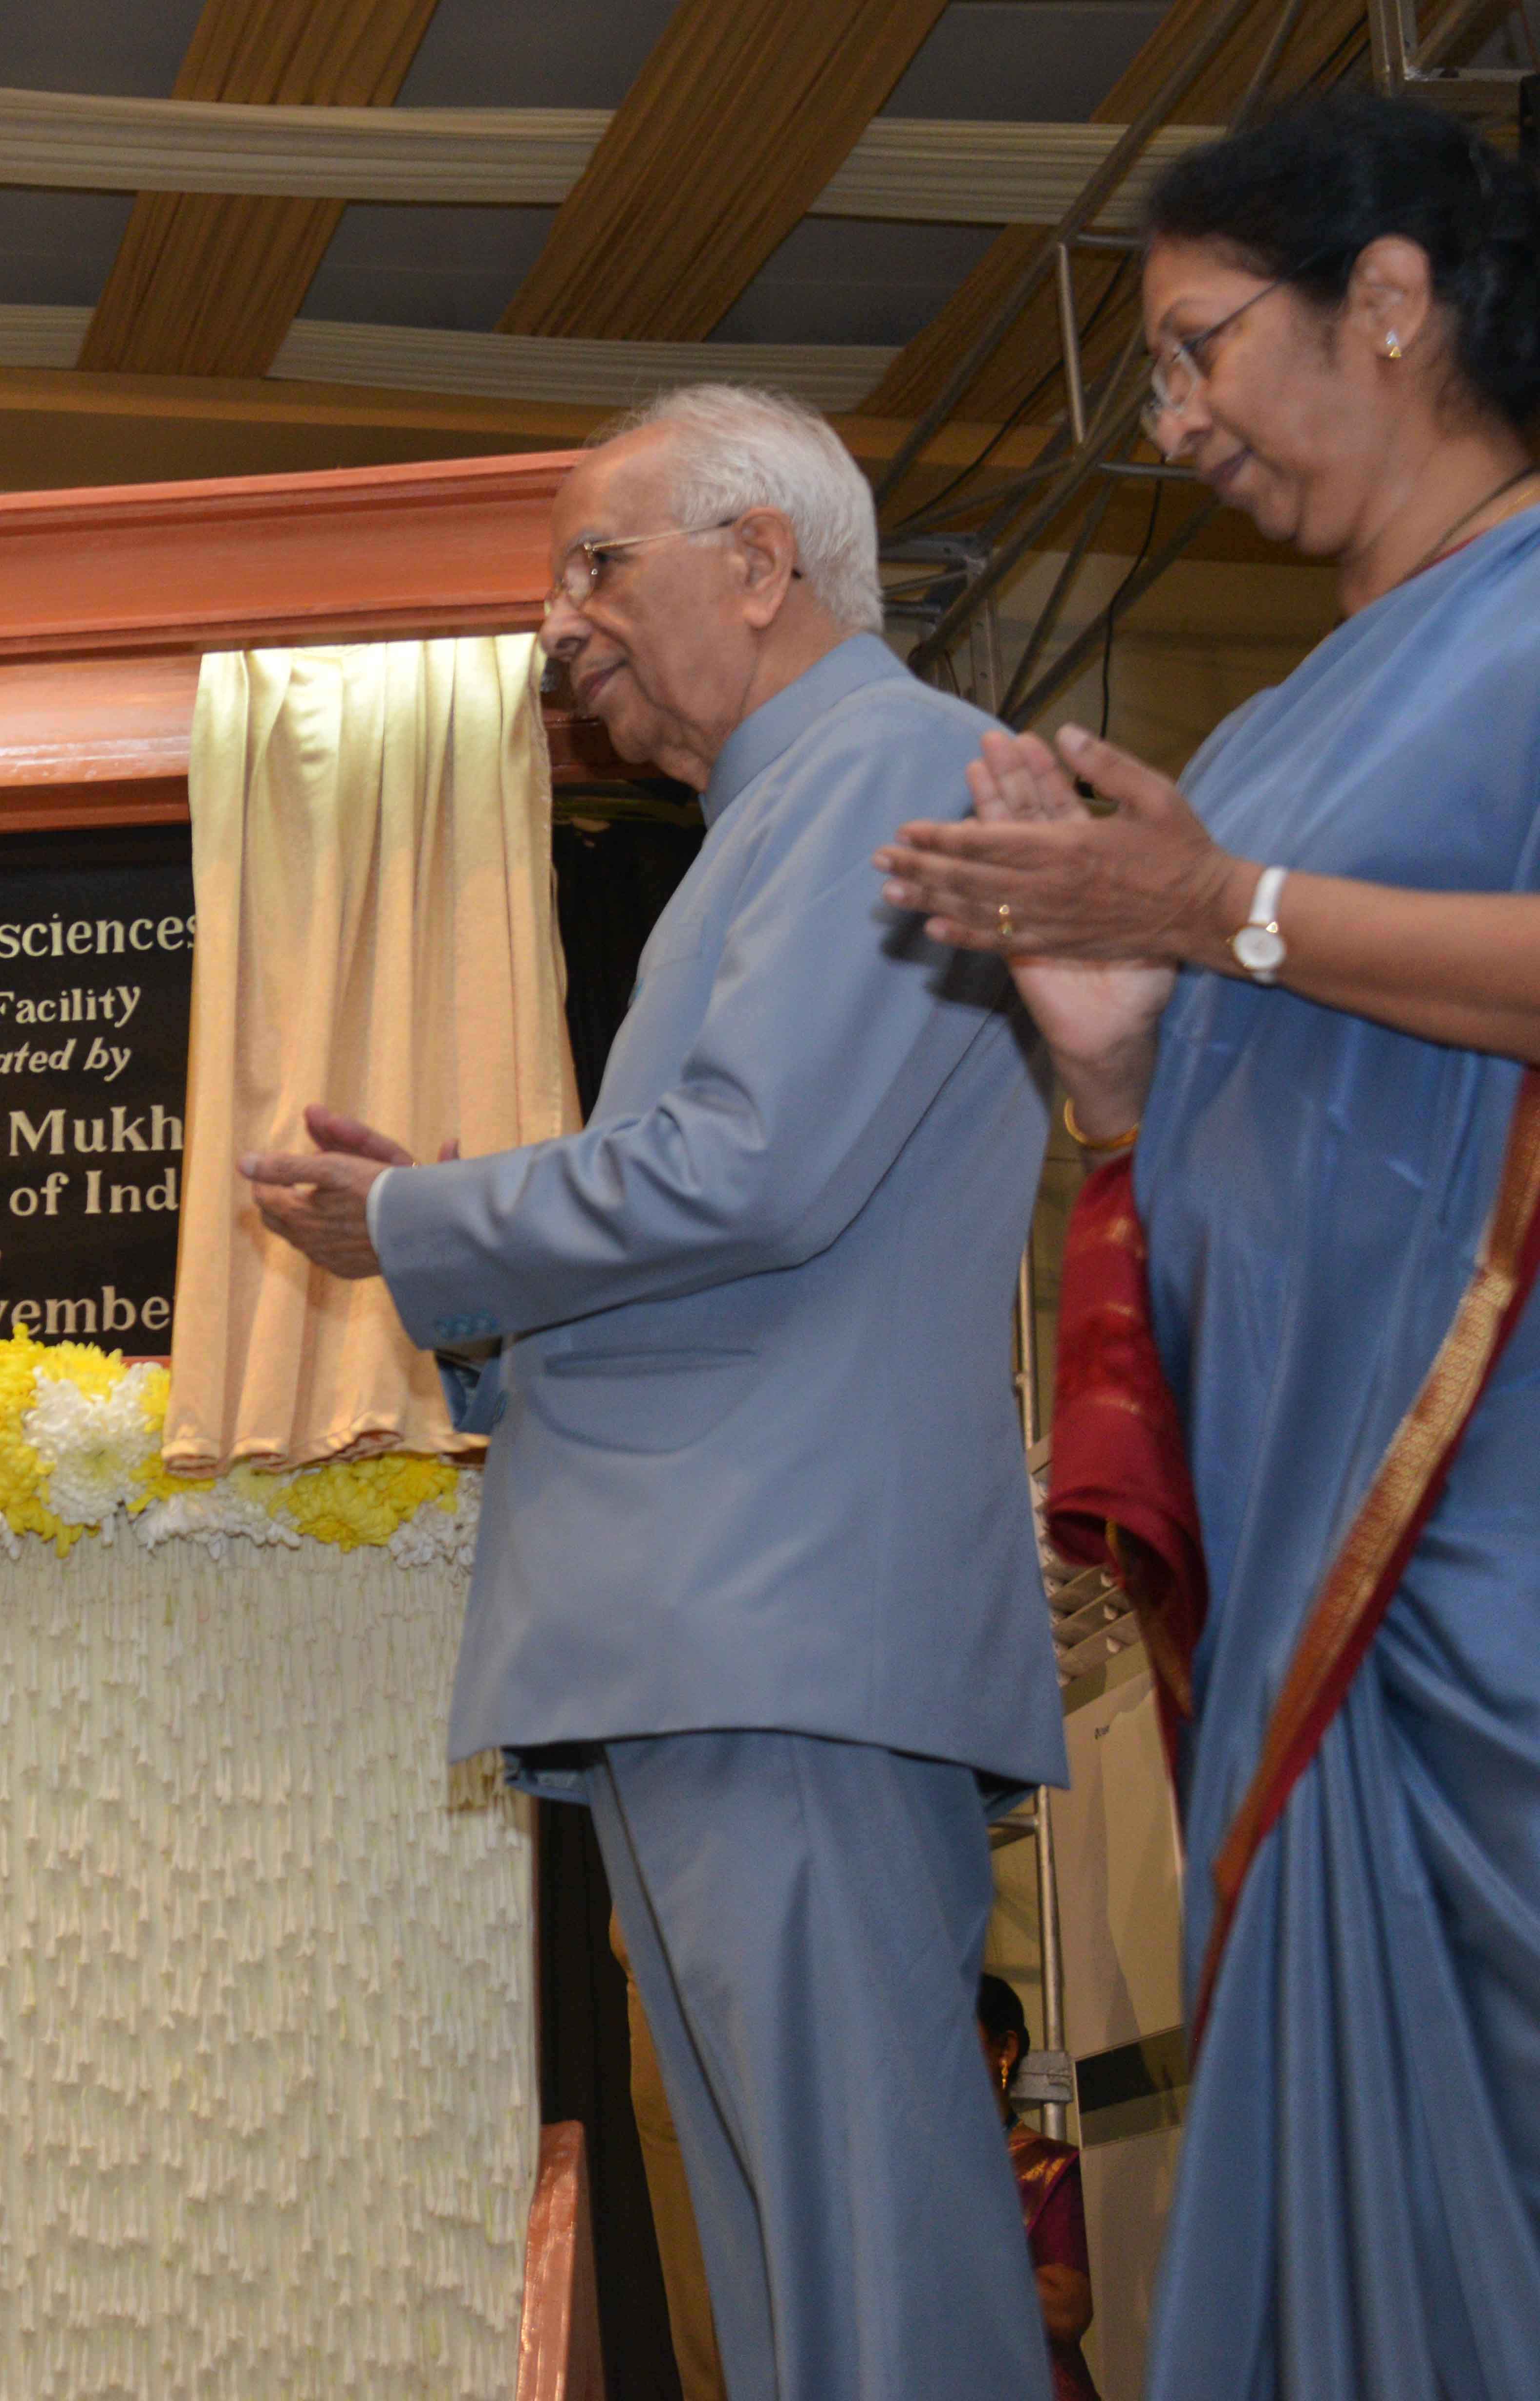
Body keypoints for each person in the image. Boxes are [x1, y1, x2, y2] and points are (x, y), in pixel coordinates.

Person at [240, 384, 1060, 2400]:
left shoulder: (892, 768)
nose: (559, 624)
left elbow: (751, 1167)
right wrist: (466, 1269)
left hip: (785, 1627)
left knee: (870, 2257)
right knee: (797, 2274)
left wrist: (421, 1215)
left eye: (596, 563)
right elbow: (745, 1219)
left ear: (761, 563)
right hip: (730, 1626)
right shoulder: (776, 816)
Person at [876, 91, 1540, 2401]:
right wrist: (1107, 1047)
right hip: (1312, 1601)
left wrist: (1211, 906)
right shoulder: (1263, 719)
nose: (1165, 428)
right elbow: (1238, 1128)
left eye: (1191, 349)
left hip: (1488, 1559)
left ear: (1386, 301)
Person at [976, 1976, 1098, 2401]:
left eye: (954, 2029)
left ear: (1005, 2050)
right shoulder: (903, 2175)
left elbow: (1069, 2311)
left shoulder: (1045, 2166)